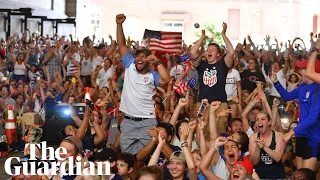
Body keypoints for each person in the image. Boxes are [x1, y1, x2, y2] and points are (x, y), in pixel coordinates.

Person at [116, 14, 170, 155]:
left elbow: (166, 79)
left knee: (142, 158)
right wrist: (119, 25)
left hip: (147, 121)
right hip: (128, 121)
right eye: (137, 55)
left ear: (149, 60)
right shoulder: (130, 65)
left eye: (143, 56)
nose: (139, 58)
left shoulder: (153, 74)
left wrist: (158, 62)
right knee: (127, 157)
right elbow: (121, 45)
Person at [272, 62, 320, 171]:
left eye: (302, 68)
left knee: (307, 175)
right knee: (299, 173)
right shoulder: (302, 86)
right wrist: (276, 82)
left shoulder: (318, 89)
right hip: (300, 134)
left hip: (312, 136)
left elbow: (313, 118)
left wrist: (290, 133)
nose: (299, 70)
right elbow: (287, 96)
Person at [249, 112, 286, 179]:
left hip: (277, 176)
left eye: (263, 119)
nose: (259, 122)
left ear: (269, 122)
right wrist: (257, 148)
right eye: (257, 120)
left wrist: (264, 147)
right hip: (259, 176)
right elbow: (254, 162)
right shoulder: (253, 137)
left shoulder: (279, 136)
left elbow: (277, 158)